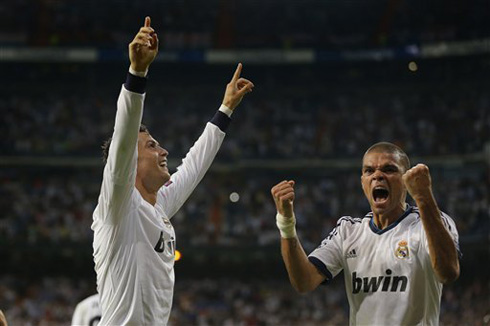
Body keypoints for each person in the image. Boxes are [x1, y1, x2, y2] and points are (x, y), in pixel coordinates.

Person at [92, 16, 254, 325]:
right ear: (129, 163)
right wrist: (137, 73)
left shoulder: (159, 207)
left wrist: (226, 110)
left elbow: (193, 166)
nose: (163, 151)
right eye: (151, 146)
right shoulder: (118, 207)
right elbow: (123, 138)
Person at [271, 142, 460, 326]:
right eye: (369, 171)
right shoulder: (348, 231)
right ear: (363, 183)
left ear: (406, 181)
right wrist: (286, 222)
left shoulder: (430, 222)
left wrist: (424, 197)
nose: (378, 175)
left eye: (389, 169)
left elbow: (448, 272)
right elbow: (304, 281)